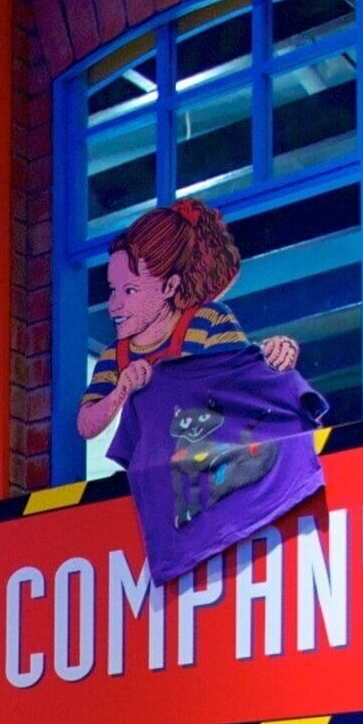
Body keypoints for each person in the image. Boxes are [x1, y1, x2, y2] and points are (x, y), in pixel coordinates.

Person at [73, 199, 324, 587]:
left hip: (222, 467)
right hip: (166, 494)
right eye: (112, 290)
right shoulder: (114, 356)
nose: (114, 305)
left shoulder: (208, 322)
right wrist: (123, 390)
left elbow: (246, 384)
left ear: (170, 286)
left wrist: (277, 355)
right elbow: (87, 425)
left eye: (130, 290)